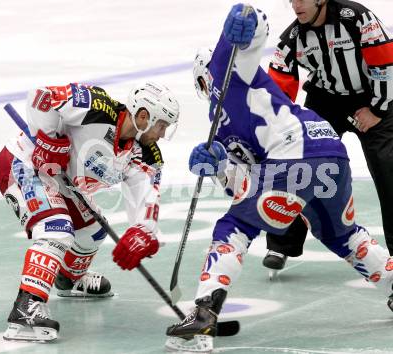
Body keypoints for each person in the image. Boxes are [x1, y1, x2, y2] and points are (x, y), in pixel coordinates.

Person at [164, 4, 393, 352]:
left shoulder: (228, 71)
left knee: (235, 227)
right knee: (341, 234)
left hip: (295, 154)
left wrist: (245, 21)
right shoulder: (220, 120)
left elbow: (251, 30)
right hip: (329, 151)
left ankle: (204, 312)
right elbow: (241, 182)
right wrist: (217, 164)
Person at [0, 81, 179, 341]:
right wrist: (48, 139)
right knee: (56, 229)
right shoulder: (96, 106)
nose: (161, 133)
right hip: (24, 164)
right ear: (143, 116)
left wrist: (143, 230)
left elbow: (146, 196)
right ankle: (26, 306)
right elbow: (41, 97)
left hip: (61, 181)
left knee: (93, 229)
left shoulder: (146, 155)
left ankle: (69, 279)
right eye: (161, 125)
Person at [264, 0, 393, 272]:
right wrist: (280, 131)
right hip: (326, 100)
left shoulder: (358, 18)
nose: (295, 5)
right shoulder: (293, 37)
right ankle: (282, 242)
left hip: (374, 98)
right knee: (298, 164)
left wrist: (377, 110)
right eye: (291, 0)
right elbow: (276, 91)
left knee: (389, 174)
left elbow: (387, 61)